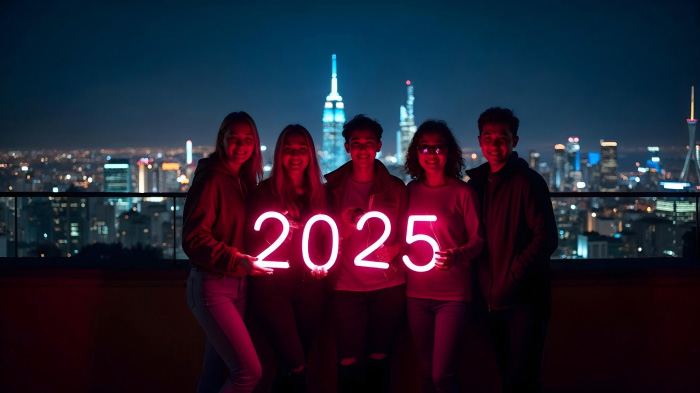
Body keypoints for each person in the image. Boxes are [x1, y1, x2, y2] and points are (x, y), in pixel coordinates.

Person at [466, 107, 558, 392]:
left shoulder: (527, 182)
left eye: (502, 138)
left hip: (524, 301)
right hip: (491, 301)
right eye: (489, 137)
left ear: (514, 141)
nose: (494, 145)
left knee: (523, 379)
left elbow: (546, 238)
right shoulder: (478, 184)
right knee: (507, 377)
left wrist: (512, 277)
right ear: (480, 141)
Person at [182, 111, 273, 393]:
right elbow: (194, 239)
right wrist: (235, 258)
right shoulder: (212, 179)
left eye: (248, 139)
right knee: (248, 373)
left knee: (215, 372)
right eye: (234, 138)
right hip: (212, 286)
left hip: (238, 284)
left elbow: (243, 232)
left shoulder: (243, 182)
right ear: (221, 141)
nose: (242, 145)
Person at [324, 114, 408, 393]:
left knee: (380, 359)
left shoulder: (396, 189)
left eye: (368, 143)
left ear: (379, 146)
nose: (362, 149)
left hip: (389, 288)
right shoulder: (331, 191)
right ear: (347, 147)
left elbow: (411, 235)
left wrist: (395, 249)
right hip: (345, 288)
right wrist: (344, 231)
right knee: (347, 361)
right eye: (356, 143)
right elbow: (320, 242)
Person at [246, 125, 332, 393]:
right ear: (279, 154)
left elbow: (328, 241)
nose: (295, 156)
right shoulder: (263, 193)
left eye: (302, 149)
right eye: (289, 149)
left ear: (311, 155)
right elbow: (249, 244)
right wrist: (275, 233)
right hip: (272, 290)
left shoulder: (323, 195)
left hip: (310, 289)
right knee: (296, 365)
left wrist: (324, 266)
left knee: (295, 364)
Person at [403, 120, 484, 393]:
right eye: (424, 148)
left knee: (442, 376)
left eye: (438, 147)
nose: (431, 153)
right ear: (416, 153)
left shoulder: (463, 192)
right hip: (415, 295)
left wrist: (457, 255)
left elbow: (478, 242)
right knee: (426, 374)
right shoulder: (409, 192)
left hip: (453, 297)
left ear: (449, 152)